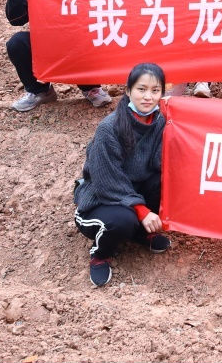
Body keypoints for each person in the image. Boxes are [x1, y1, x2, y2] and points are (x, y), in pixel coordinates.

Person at [73, 62, 170, 288]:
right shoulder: (109, 128)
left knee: (162, 182)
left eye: (155, 90)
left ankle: (139, 233)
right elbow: (107, 181)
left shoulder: (160, 122)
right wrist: (142, 211)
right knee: (122, 220)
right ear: (128, 91)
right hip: (101, 199)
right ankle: (100, 253)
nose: (148, 97)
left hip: (132, 193)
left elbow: (159, 165)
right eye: (141, 89)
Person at [6, 0, 111, 112]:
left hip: (83, 48)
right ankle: (40, 91)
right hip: (51, 46)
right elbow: (16, 20)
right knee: (17, 43)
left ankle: (91, 87)